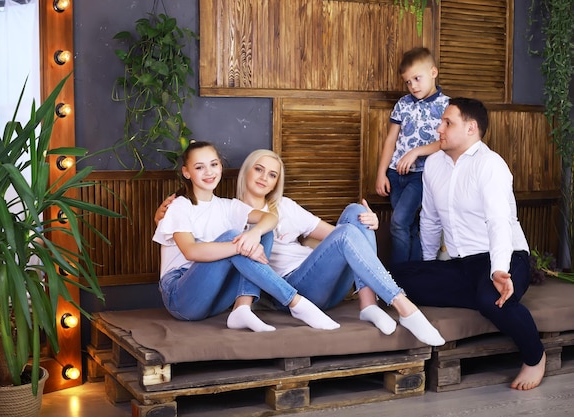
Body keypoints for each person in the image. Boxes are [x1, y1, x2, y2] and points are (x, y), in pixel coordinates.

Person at [156, 149, 446, 346]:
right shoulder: (229, 210)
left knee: (355, 214)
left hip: (321, 275)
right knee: (257, 234)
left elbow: (343, 239)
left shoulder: (282, 207)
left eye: (272, 174)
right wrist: (162, 214)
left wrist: (368, 224)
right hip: (292, 284)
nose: (263, 178)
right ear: (244, 171)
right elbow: (193, 238)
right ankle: (403, 307)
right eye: (258, 169)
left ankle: (368, 305)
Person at [389, 97, 546, 390]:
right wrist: (429, 266)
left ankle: (535, 357)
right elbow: (431, 221)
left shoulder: (491, 165)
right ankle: (477, 290)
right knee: (395, 276)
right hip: (463, 264)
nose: (439, 129)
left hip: (506, 257)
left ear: (471, 128)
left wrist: (499, 271)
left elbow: (498, 222)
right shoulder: (435, 164)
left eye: (448, 123)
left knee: (492, 300)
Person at [153, 140, 341, 333]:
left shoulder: (228, 206)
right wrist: (239, 245)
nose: (209, 172)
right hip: (180, 296)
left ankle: (242, 308)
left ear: (221, 166)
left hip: (213, 298)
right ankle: (297, 303)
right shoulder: (179, 206)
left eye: (214, 164)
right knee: (235, 237)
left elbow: (269, 218)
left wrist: (254, 234)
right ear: (186, 172)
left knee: (260, 232)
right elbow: (191, 251)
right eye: (199, 167)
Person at [375, 47, 449, 265]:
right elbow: (391, 140)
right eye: (408, 81)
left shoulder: (447, 106)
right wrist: (381, 174)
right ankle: (414, 276)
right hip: (396, 174)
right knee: (409, 226)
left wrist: (416, 152)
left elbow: (446, 142)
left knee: (398, 222)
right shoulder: (403, 104)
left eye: (417, 78)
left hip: (421, 176)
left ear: (433, 72)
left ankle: (398, 278)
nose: (413, 85)